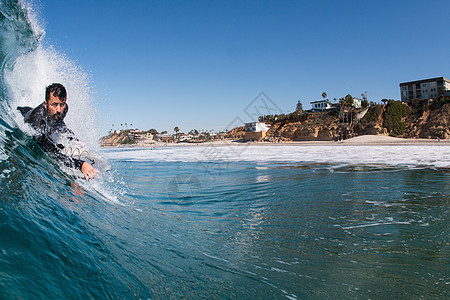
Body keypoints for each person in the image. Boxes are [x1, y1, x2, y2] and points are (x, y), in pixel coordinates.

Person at [17, 83, 97, 180]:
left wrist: (73, 138)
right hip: (22, 113)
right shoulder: (37, 123)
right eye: (54, 104)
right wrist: (80, 165)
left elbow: (59, 124)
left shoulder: (64, 109)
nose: (59, 109)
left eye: (62, 104)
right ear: (45, 104)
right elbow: (52, 153)